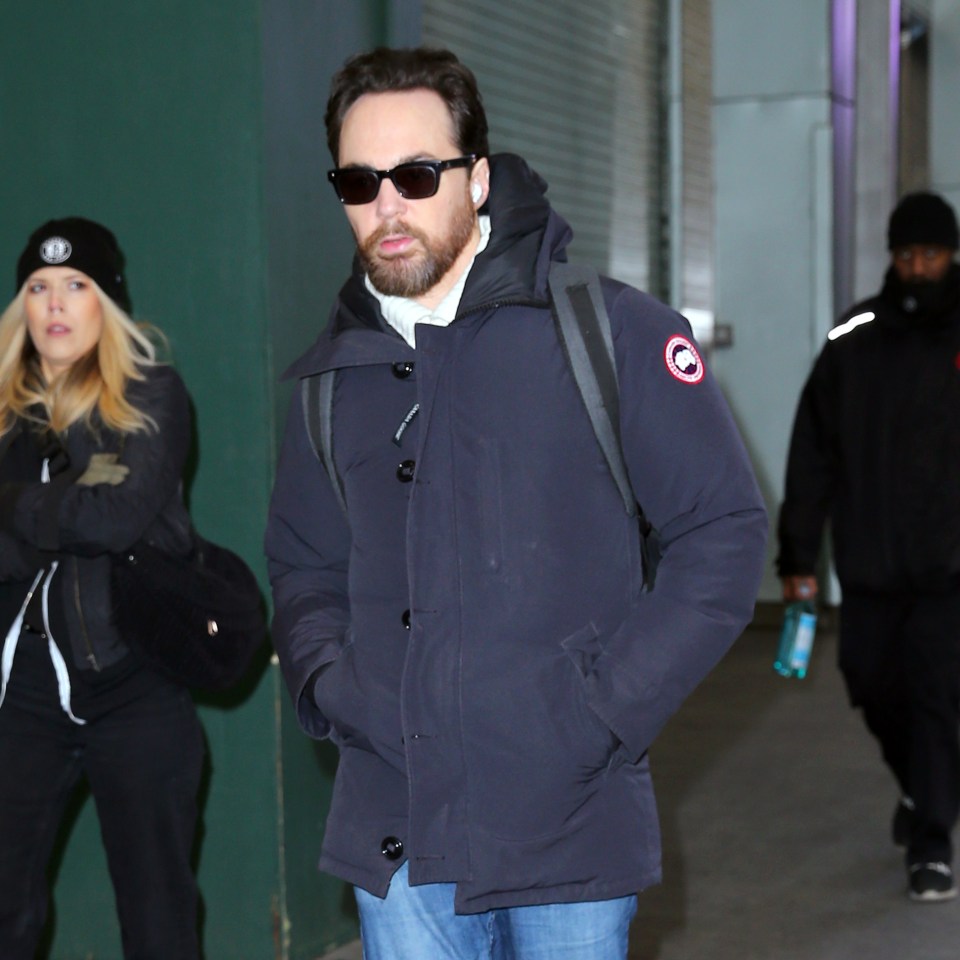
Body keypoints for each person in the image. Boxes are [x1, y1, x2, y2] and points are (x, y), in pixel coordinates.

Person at [265, 47, 767, 959]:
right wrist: (338, 688)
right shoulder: (329, 381)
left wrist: (600, 714)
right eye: (358, 180)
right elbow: (302, 565)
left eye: (416, 175)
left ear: (479, 177)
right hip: (400, 827)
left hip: (569, 828)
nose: (387, 207)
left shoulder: (609, 332)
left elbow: (723, 534)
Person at [0, 217, 204, 957]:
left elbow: (113, 518)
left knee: (158, 924)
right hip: (21, 697)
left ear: (106, 302)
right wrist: (58, 513)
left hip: (135, 689)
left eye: (76, 286)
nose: (55, 303)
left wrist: (15, 505)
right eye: (38, 287)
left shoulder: (150, 394)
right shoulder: (3, 412)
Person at [778, 191, 960, 903]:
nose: (918, 267)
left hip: (949, 566)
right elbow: (812, 456)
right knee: (873, 683)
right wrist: (798, 558)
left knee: (936, 694)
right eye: (907, 254)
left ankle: (932, 840)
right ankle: (924, 790)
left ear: (951, 255)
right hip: (872, 563)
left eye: (932, 254)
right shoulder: (854, 338)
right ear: (892, 256)